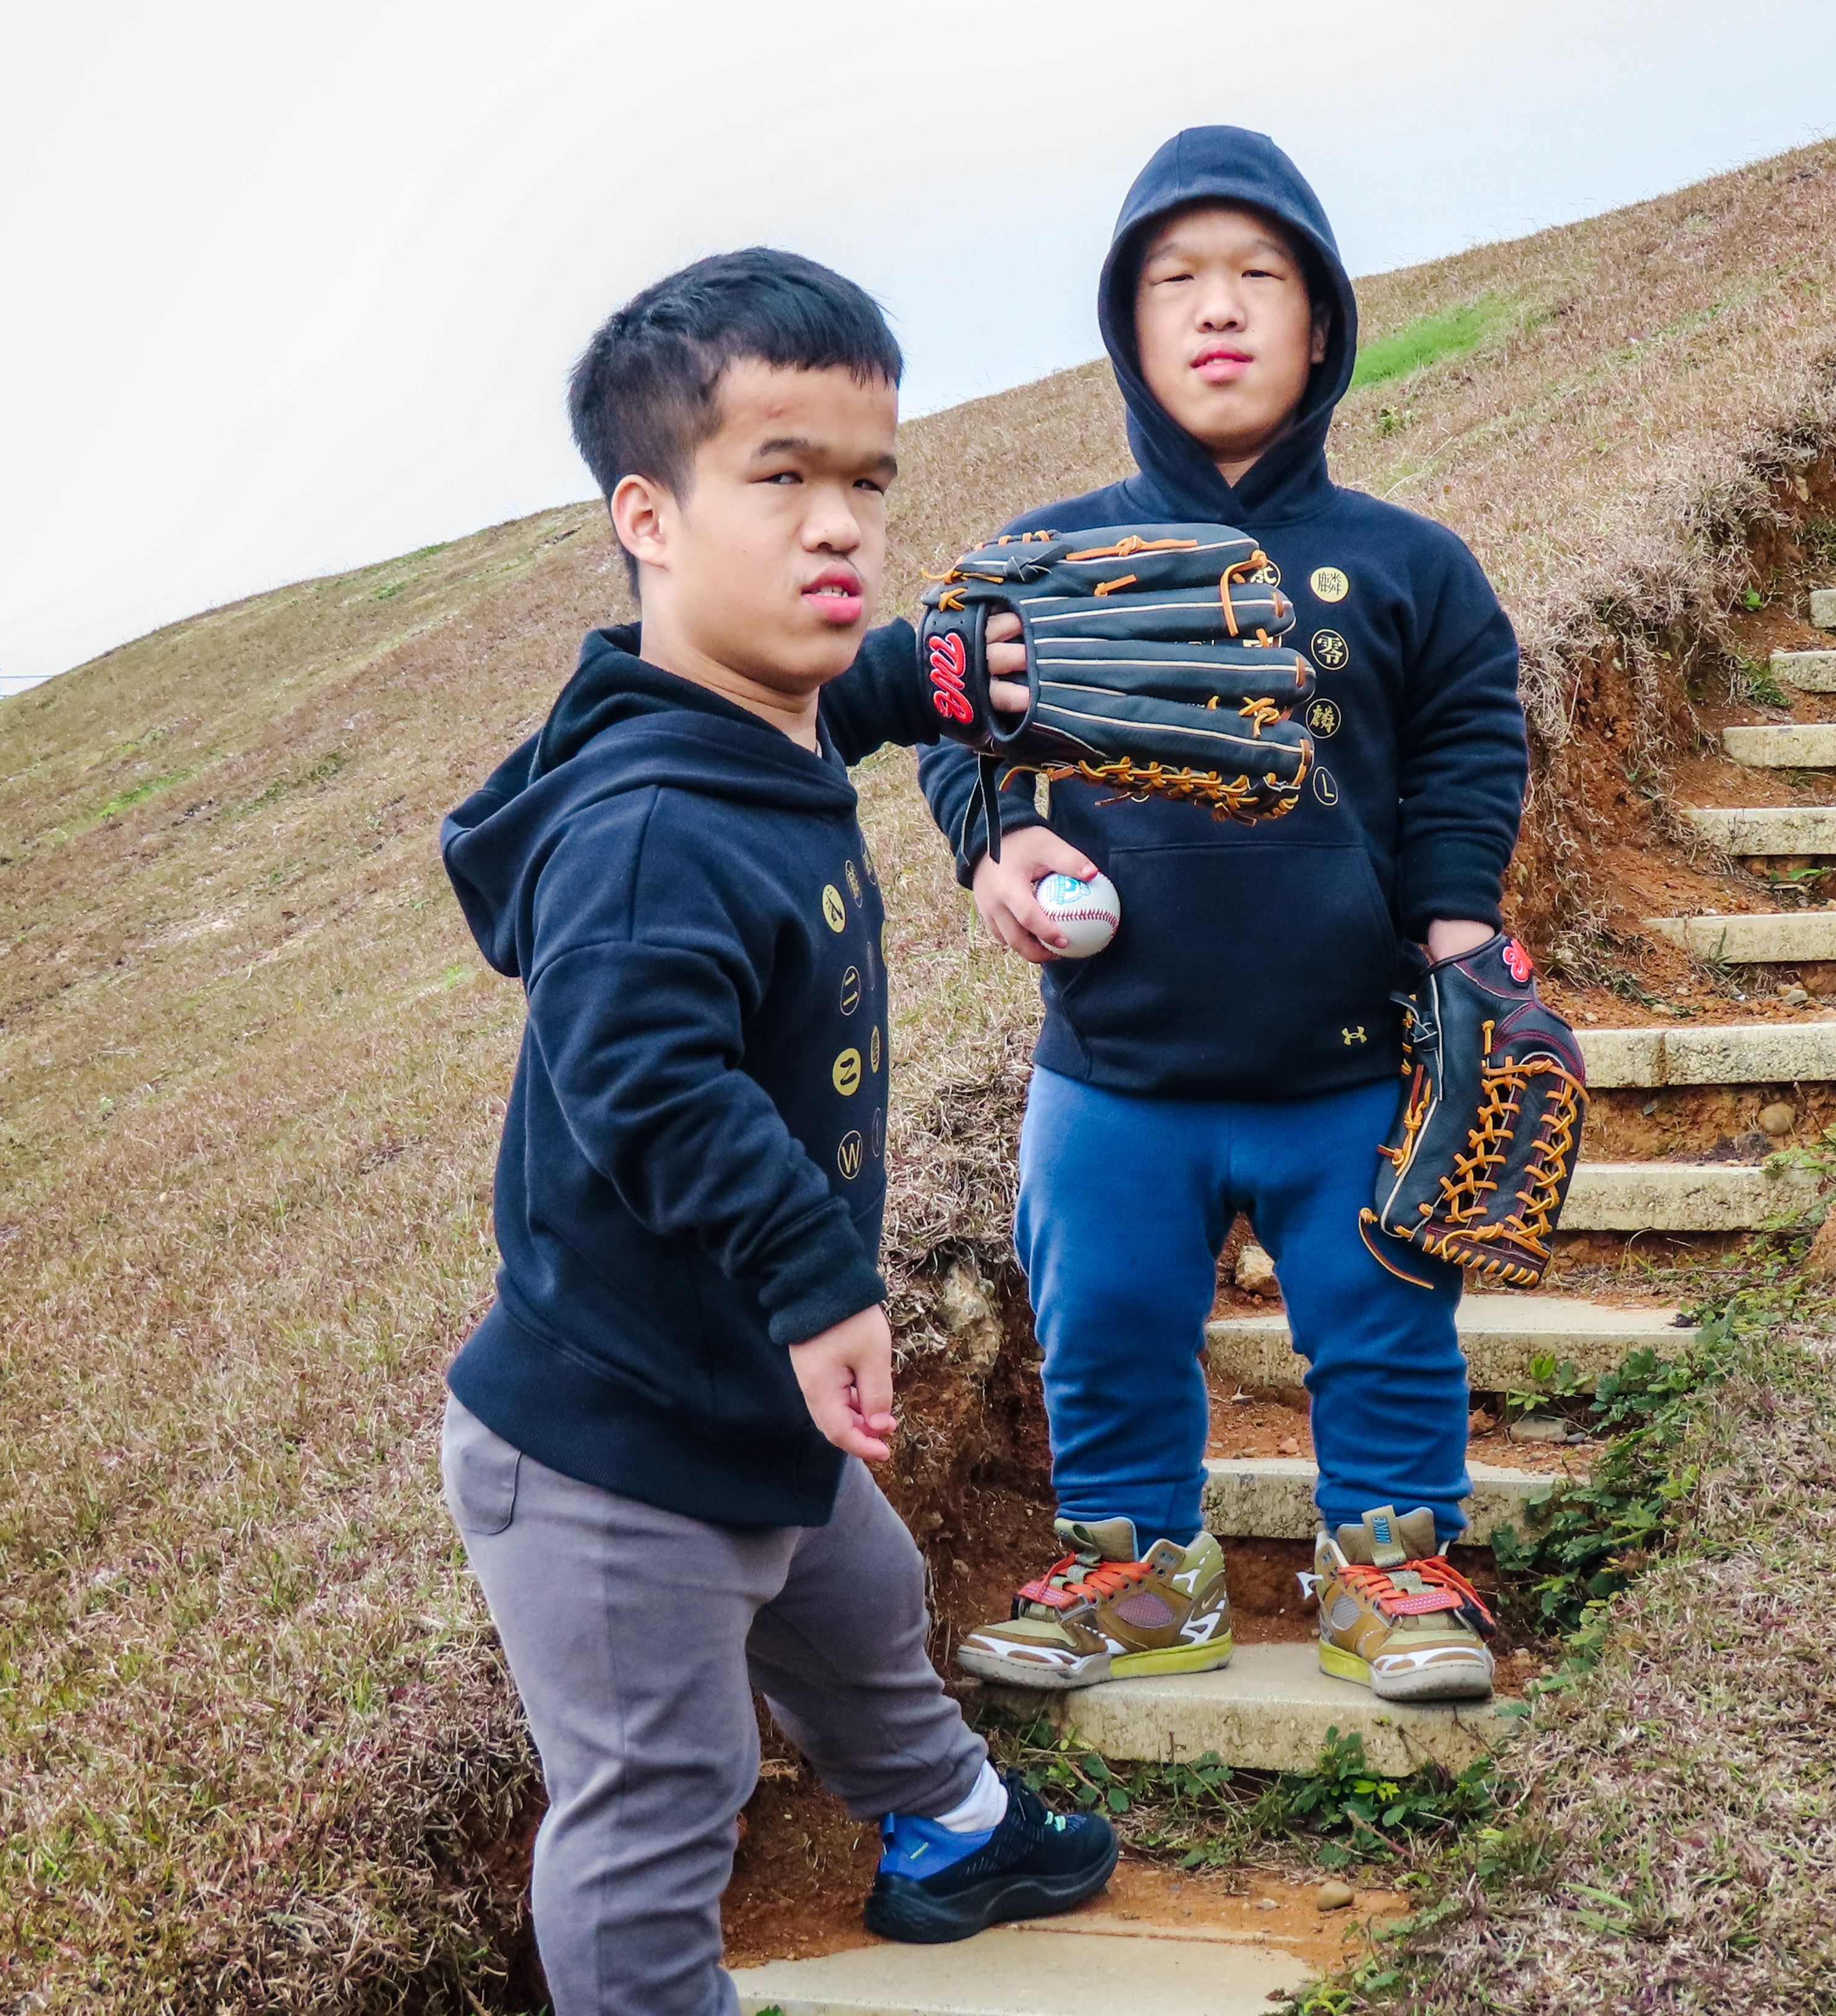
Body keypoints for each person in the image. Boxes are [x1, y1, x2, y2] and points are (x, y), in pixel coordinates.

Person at [436, 248, 1112, 2015]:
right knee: (661, 1798)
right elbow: (645, 1079)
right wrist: (821, 1284)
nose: (841, 526)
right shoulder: (645, 828)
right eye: (782, 476)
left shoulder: (735, 721)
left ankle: (951, 1831)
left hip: (740, 1391)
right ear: (647, 516)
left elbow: (808, 709)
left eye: (868, 480)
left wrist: (918, 676)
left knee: (866, 1605)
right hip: (609, 1450)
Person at [918, 128, 1531, 1705]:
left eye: (1261, 276)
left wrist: (1460, 934)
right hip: (1115, 1063)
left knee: (1383, 1322)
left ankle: (1390, 1570)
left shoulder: (1413, 565)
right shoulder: (1044, 561)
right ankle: (1141, 1576)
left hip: (1351, 1058)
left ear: (1321, 322)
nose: (1220, 308)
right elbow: (951, 722)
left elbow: (1468, 742)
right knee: (1109, 1321)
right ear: (1126, 326)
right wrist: (1000, 837)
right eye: (1175, 280)